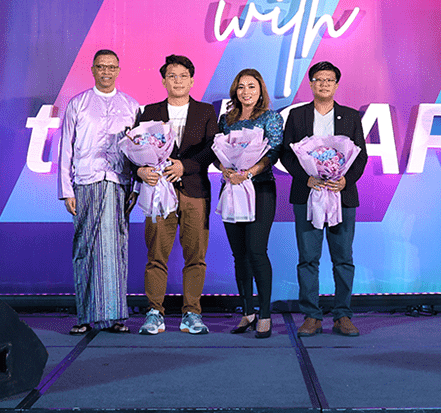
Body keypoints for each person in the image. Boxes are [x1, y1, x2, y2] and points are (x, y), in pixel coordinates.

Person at [280, 61, 367, 337]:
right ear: (311, 84)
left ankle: (343, 315)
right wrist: (304, 177)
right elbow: (286, 154)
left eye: (329, 80)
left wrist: (345, 180)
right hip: (308, 194)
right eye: (319, 79)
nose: (324, 84)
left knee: (343, 259)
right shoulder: (297, 116)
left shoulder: (350, 116)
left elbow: (360, 156)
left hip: (342, 196)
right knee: (308, 258)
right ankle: (311, 316)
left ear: (336, 85)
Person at [134, 54, 218, 335]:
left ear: (192, 81)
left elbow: (211, 149)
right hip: (159, 191)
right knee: (156, 254)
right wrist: (140, 170)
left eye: (183, 76)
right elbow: (135, 147)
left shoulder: (205, 111)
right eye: (172, 76)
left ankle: (192, 313)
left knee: (196, 255)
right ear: (163, 81)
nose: (178, 81)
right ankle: (154, 312)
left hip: (194, 191)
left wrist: (185, 166)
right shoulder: (150, 112)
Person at [59, 49, 140, 334]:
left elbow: (139, 151)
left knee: (116, 249)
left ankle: (116, 316)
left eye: (111, 67)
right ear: (93, 69)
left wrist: (136, 187)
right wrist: (66, 190)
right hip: (85, 183)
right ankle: (84, 316)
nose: (106, 71)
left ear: (118, 70)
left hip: (119, 183)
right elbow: (65, 148)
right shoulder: (78, 104)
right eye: (101, 66)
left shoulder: (131, 106)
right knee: (85, 247)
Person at [216, 69, 283, 339]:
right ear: (235, 91)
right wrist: (224, 169)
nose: (246, 92)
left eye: (251, 86)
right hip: (231, 188)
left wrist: (250, 172)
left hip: (260, 189)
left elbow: (274, 151)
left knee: (256, 251)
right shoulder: (226, 120)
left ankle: (264, 314)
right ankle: (247, 312)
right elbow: (217, 152)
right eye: (241, 86)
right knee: (239, 255)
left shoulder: (270, 118)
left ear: (260, 90)